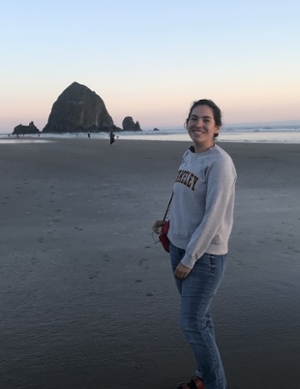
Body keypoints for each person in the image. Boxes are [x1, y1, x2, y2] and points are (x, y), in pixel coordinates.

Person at [153, 99, 236, 389]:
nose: (198, 124)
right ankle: (205, 376)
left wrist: (190, 258)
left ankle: (215, 384)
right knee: (202, 320)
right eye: (193, 118)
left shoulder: (221, 163)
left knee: (191, 323)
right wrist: (169, 225)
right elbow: (184, 199)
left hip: (204, 257)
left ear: (217, 128)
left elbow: (214, 217)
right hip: (178, 248)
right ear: (187, 123)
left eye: (206, 120)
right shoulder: (189, 156)